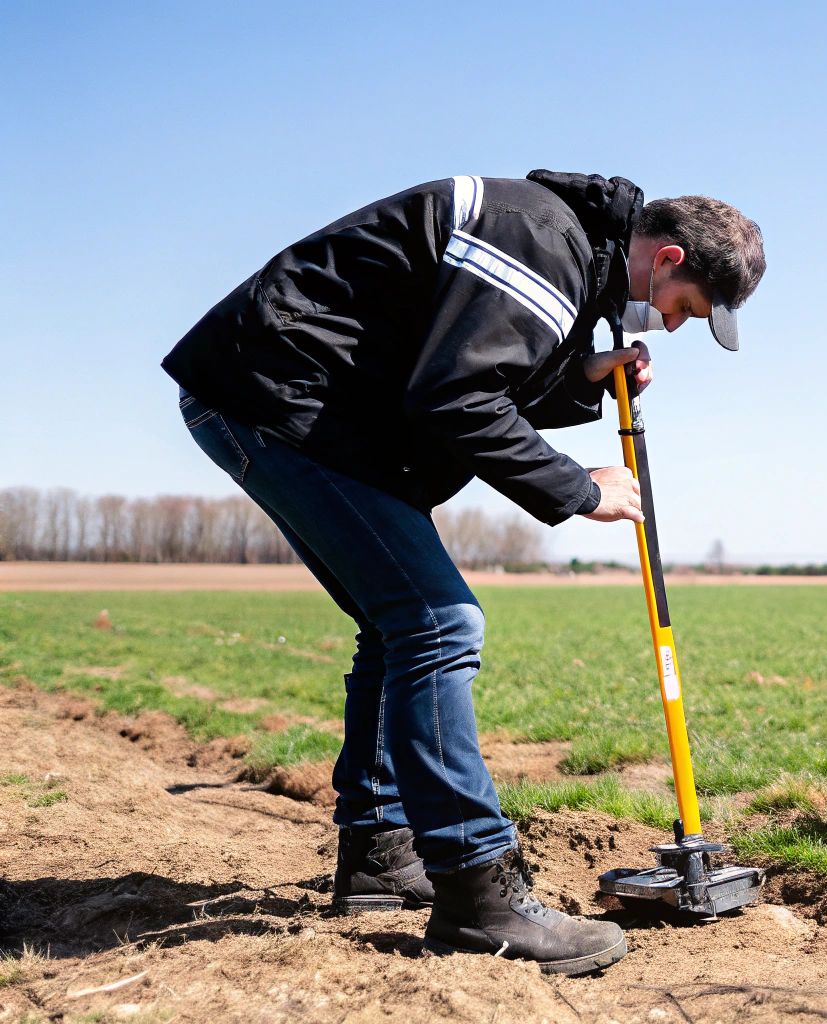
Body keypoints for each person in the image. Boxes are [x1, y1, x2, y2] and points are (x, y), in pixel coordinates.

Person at [161, 170, 765, 976]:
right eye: (685, 307)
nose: (675, 326)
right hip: (280, 401)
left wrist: (577, 382)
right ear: (668, 256)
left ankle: (379, 855)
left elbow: (466, 366)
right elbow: (453, 399)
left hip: (288, 401)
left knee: (398, 625)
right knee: (439, 622)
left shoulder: (560, 250)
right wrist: (580, 489)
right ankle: (478, 896)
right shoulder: (540, 242)